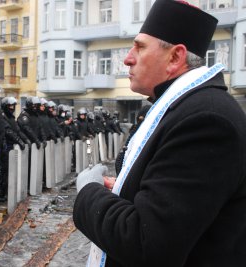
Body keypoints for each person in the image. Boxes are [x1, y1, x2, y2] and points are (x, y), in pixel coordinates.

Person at [73, 1, 246, 266]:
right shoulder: (182, 107)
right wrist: (126, 185)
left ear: (175, 57)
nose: (127, 58)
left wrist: (88, 191)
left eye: (139, 47)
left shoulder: (206, 121)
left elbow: (147, 243)